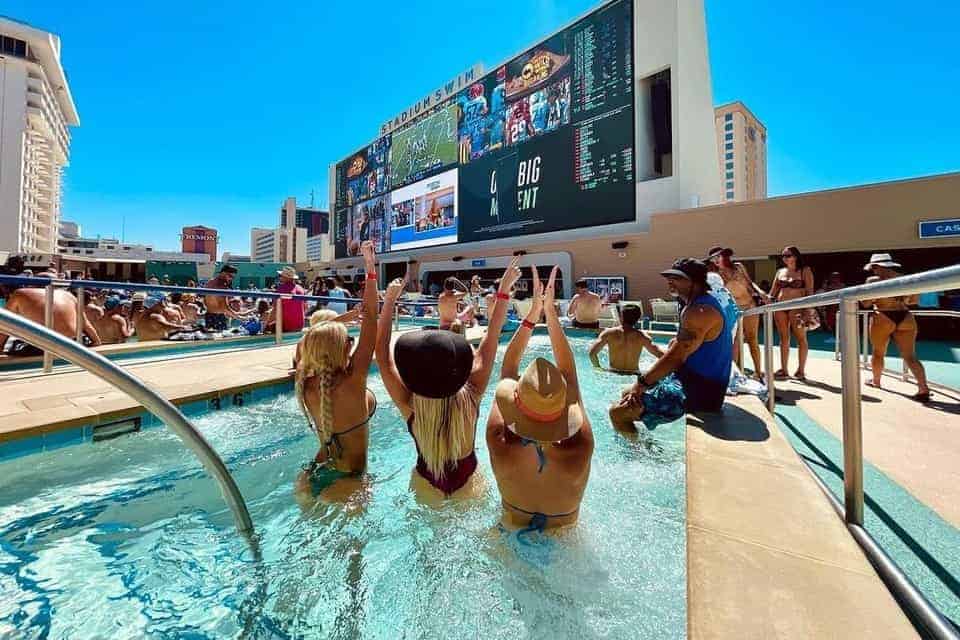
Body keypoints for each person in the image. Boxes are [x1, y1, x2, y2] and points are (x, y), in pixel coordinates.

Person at [376, 257, 521, 502]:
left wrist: (389, 301)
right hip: (468, 476)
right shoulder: (472, 392)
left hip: (426, 478)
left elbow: (382, 356)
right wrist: (503, 291)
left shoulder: (410, 404)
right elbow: (492, 336)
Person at [487, 266, 594, 532]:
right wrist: (551, 316)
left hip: (510, 527)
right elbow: (569, 371)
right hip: (565, 536)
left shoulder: (498, 439)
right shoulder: (582, 446)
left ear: (516, 402)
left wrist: (533, 314)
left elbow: (508, 367)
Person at [294, 242, 380, 501]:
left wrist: (335, 323)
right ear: (340, 349)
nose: (352, 343)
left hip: (314, 471)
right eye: (348, 341)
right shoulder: (353, 382)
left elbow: (308, 339)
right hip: (351, 479)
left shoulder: (304, 382)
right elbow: (373, 319)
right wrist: (370, 269)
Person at [611, 259, 734, 432]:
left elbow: (676, 357)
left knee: (617, 413)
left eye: (677, 277)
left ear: (695, 281)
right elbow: (681, 348)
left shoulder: (699, 312)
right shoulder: (695, 304)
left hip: (701, 391)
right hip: (689, 379)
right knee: (626, 395)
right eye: (669, 276)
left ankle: (639, 456)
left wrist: (641, 383)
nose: (670, 280)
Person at [861, 253, 931, 402]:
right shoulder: (905, 279)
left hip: (883, 316)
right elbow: (913, 301)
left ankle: (876, 381)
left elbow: (865, 303)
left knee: (878, 352)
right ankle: (923, 388)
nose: (873, 271)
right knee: (910, 356)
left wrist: (875, 298)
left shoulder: (873, 280)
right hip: (905, 316)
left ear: (878, 266)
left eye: (874, 267)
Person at [707, 247, 768, 378]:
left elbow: (750, 283)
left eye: (718, 256)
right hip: (735, 309)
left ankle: (758, 371)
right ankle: (734, 374)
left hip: (750, 306)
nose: (715, 260)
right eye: (713, 258)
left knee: (753, 339)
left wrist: (761, 292)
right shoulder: (716, 275)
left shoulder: (738, 267)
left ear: (725, 256)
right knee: (736, 340)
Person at [0, 287, 101, 353]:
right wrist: (96, 342)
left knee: (16, 345)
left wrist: (0, 346)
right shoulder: (68, 296)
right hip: (72, 344)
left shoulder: (20, 294)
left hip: (42, 347)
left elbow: (5, 324)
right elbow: (86, 325)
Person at [769, 246, 815, 380]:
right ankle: (784, 369)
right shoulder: (780, 272)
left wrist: (808, 309)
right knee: (783, 339)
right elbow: (773, 292)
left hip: (798, 307)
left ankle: (801, 370)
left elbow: (810, 291)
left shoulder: (805, 270)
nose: (785, 258)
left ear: (795, 256)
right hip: (780, 307)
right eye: (783, 255)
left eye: (788, 255)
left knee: (801, 338)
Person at [589, 303, 663, 373]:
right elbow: (662, 356)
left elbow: (592, 354)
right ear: (638, 319)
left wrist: (599, 369)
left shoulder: (608, 333)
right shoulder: (642, 337)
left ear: (621, 317)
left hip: (614, 373)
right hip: (634, 375)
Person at [265, 267, 306, 333]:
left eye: (280, 276)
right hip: (300, 325)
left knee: (268, 328)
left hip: (287, 326)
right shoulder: (300, 289)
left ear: (286, 277)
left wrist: (266, 325)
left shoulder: (281, 289)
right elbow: (304, 307)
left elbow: (275, 310)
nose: (280, 277)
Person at [203, 265, 242, 331]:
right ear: (223, 273)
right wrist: (239, 317)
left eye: (233, 277)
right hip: (218, 317)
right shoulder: (222, 286)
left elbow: (205, 300)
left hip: (208, 316)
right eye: (230, 276)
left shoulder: (210, 282)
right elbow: (225, 308)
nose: (231, 279)